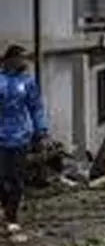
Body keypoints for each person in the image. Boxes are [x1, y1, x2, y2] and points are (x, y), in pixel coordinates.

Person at [0, 45, 49, 239]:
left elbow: (36, 107)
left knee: (17, 179)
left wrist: (41, 131)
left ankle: (12, 217)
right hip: (0, 137)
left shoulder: (27, 83)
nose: (23, 62)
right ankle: (4, 205)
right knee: (2, 177)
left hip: (20, 136)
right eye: (20, 58)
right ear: (9, 60)